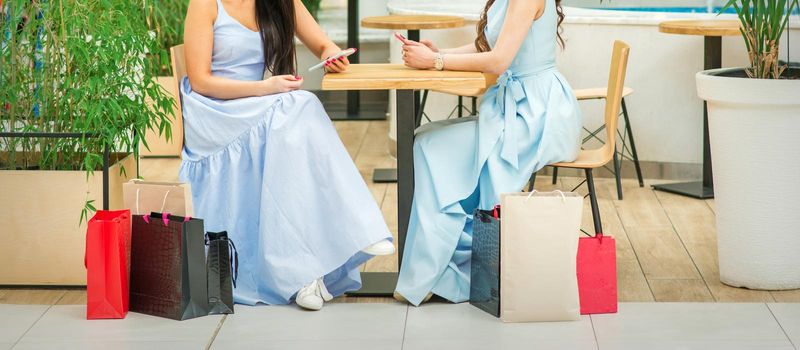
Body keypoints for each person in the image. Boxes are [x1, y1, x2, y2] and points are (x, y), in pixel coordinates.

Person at [179, 0, 394, 311]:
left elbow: (322, 43)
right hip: (214, 111)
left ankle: (304, 274)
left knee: (294, 129)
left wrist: (331, 55)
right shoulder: (205, 4)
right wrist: (266, 88)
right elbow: (201, 81)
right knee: (299, 105)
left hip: (257, 103)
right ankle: (356, 231)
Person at [394, 0, 582, 306]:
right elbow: (487, 47)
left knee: (430, 145)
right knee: (427, 137)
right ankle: (438, 265)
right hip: (520, 108)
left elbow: (497, 62)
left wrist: (436, 61)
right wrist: (437, 53)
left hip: (536, 117)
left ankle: (437, 269)